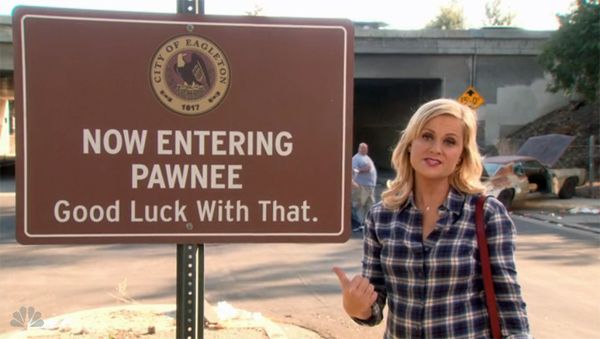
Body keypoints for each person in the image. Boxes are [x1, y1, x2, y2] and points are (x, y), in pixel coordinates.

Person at [333, 99, 531, 338]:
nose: (436, 148)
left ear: (460, 155)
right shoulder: (381, 217)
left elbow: (509, 302)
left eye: (449, 141)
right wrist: (357, 307)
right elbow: (375, 306)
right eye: (427, 136)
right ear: (409, 144)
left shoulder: (487, 213)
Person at [352, 143, 377, 230]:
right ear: (359, 148)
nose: (365, 150)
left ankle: (366, 223)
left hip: (370, 186)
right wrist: (365, 169)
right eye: (363, 148)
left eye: (366, 148)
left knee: (369, 205)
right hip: (361, 185)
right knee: (359, 205)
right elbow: (354, 170)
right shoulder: (356, 158)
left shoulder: (367, 157)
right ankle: (359, 223)